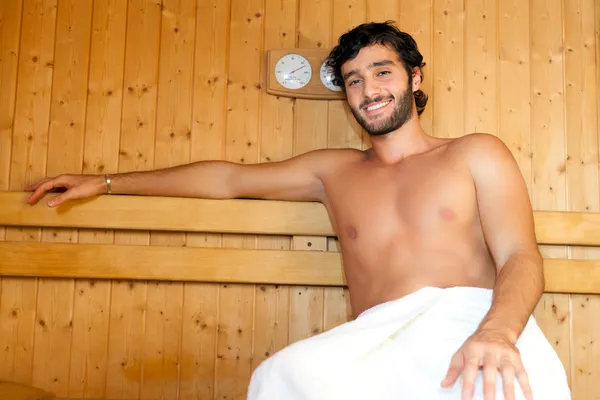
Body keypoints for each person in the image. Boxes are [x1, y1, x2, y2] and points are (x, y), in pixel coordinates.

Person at [25, 21, 569, 400]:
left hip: (471, 321)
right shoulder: (334, 172)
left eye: (383, 72)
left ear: (414, 79)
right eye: (354, 80)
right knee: (281, 377)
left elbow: (522, 256)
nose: (368, 89)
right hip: (376, 336)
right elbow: (229, 179)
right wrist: (106, 181)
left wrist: (497, 332)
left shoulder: (474, 153)